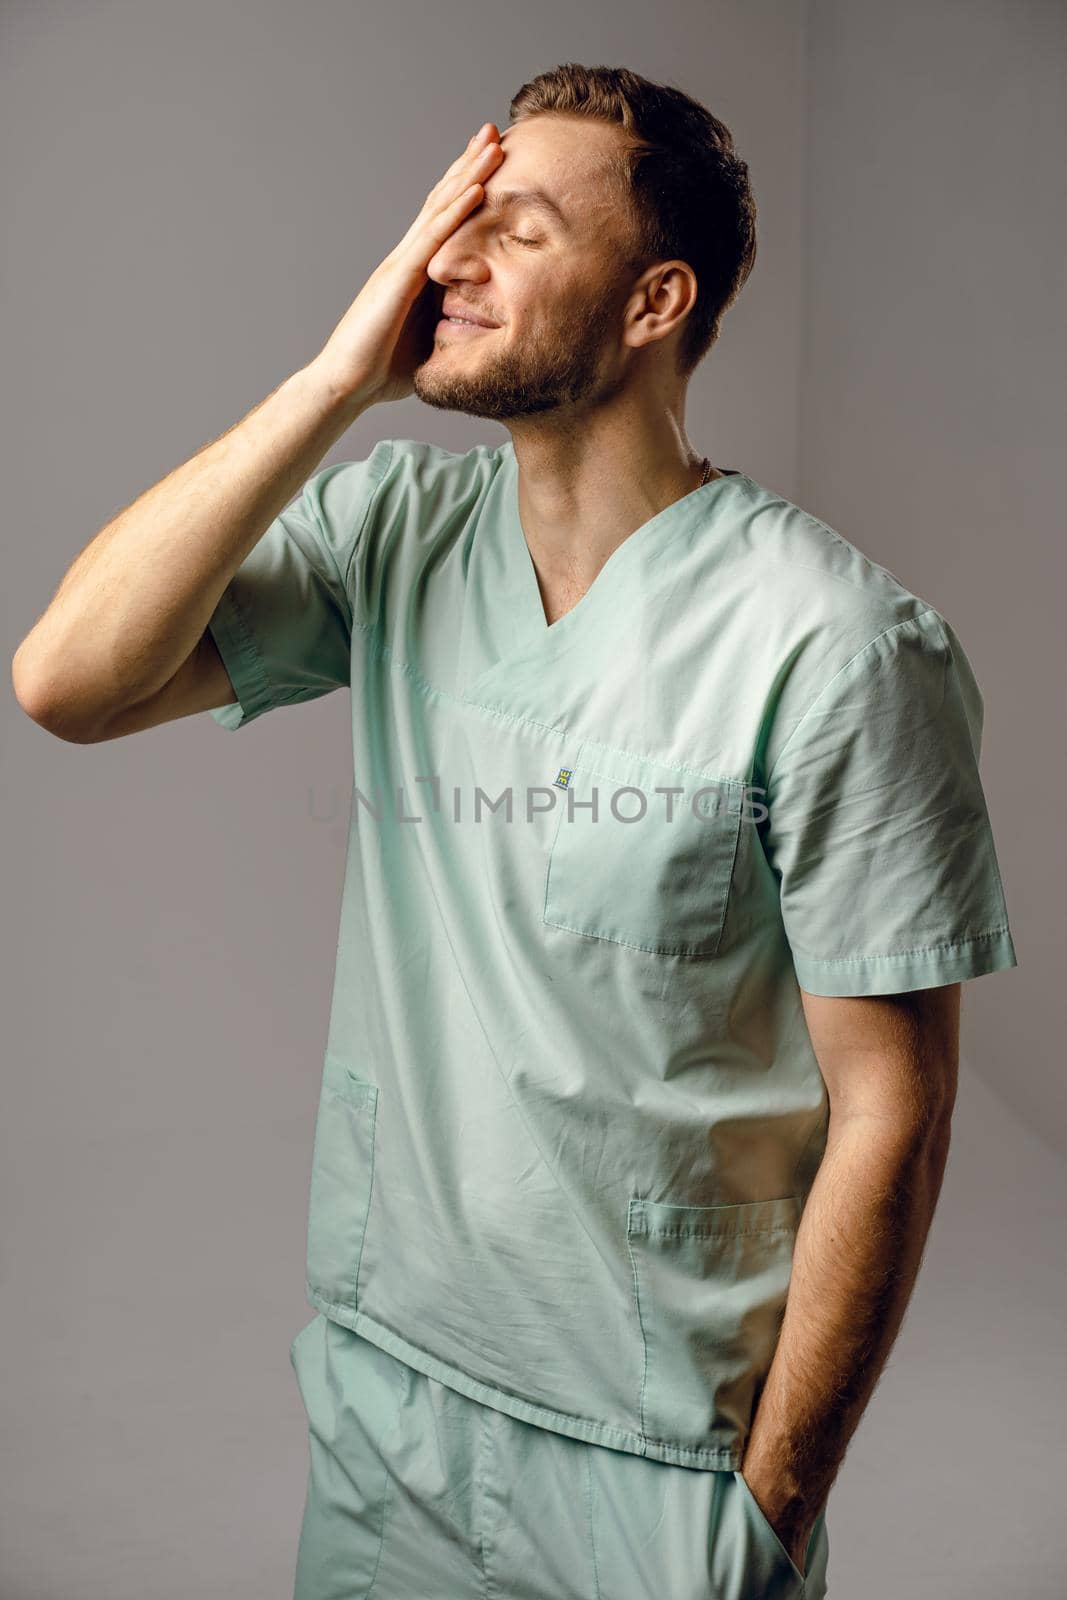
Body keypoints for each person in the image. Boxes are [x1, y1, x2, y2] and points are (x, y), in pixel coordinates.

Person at [12, 61, 1018, 1600]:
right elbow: (66, 681)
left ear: (652, 300)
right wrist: (332, 384)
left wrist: (771, 1510)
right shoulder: (398, 535)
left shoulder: (836, 648)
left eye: (521, 231)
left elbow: (895, 1112)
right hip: (387, 1417)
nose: (448, 263)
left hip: (664, 1469)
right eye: (450, 219)